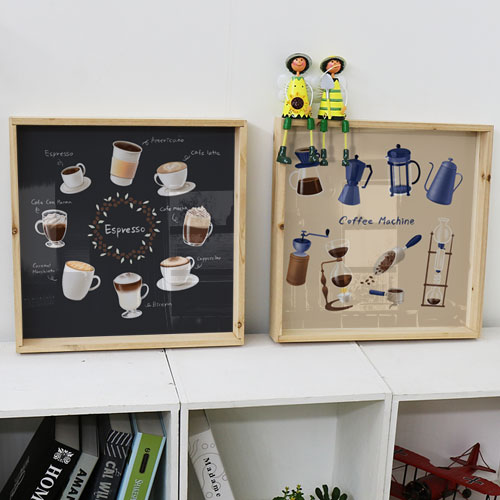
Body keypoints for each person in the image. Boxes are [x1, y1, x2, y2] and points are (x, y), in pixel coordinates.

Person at [276, 53, 318, 165]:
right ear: (291, 64)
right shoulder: (290, 82)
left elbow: (311, 93)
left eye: (301, 60)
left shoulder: (304, 83)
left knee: (310, 122)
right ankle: (281, 153)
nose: (299, 62)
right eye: (297, 60)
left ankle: (312, 153)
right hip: (290, 109)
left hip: (304, 110)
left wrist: (309, 106)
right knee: (287, 123)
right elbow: (287, 93)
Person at [317, 56, 349, 166]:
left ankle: (345, 157)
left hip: (338, 112)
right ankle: (324, 157)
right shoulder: (325, 79)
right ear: (326, 66)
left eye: (337, 62)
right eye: (332, 62)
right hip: (325, 113)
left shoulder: (338, 83)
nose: (335, 63)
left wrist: (344, 106)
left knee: (344, 131)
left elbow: (345, 93)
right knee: (324, 131)